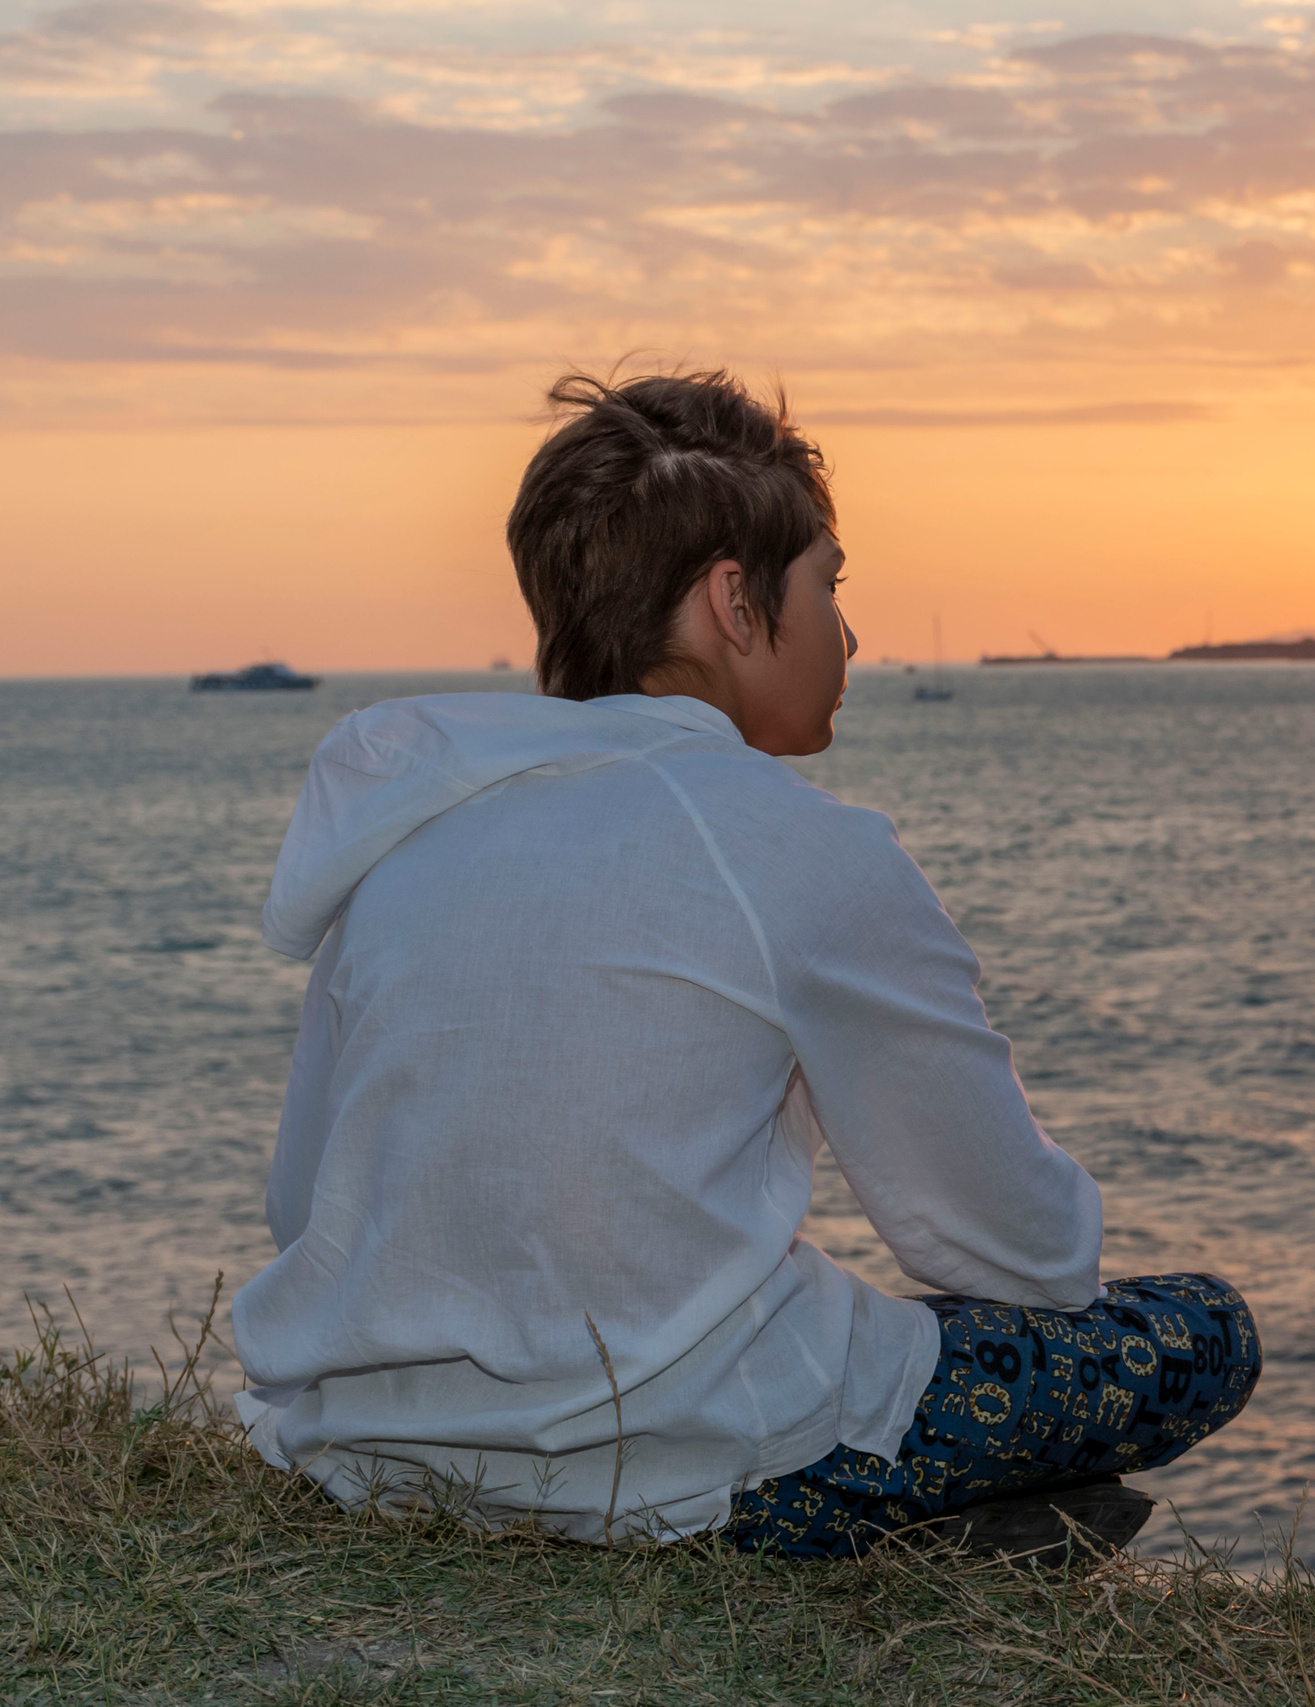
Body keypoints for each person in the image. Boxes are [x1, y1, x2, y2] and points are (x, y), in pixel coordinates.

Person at [230, 368, 1258, 1558]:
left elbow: (303, 1206)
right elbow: (1015, 1250)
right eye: (827, 584)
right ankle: (883, 1528)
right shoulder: (802, 842)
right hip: (696, 1466)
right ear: (733, 601)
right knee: (1200, 1332)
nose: (850, 631)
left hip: (375, 1456)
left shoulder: (406, 830)